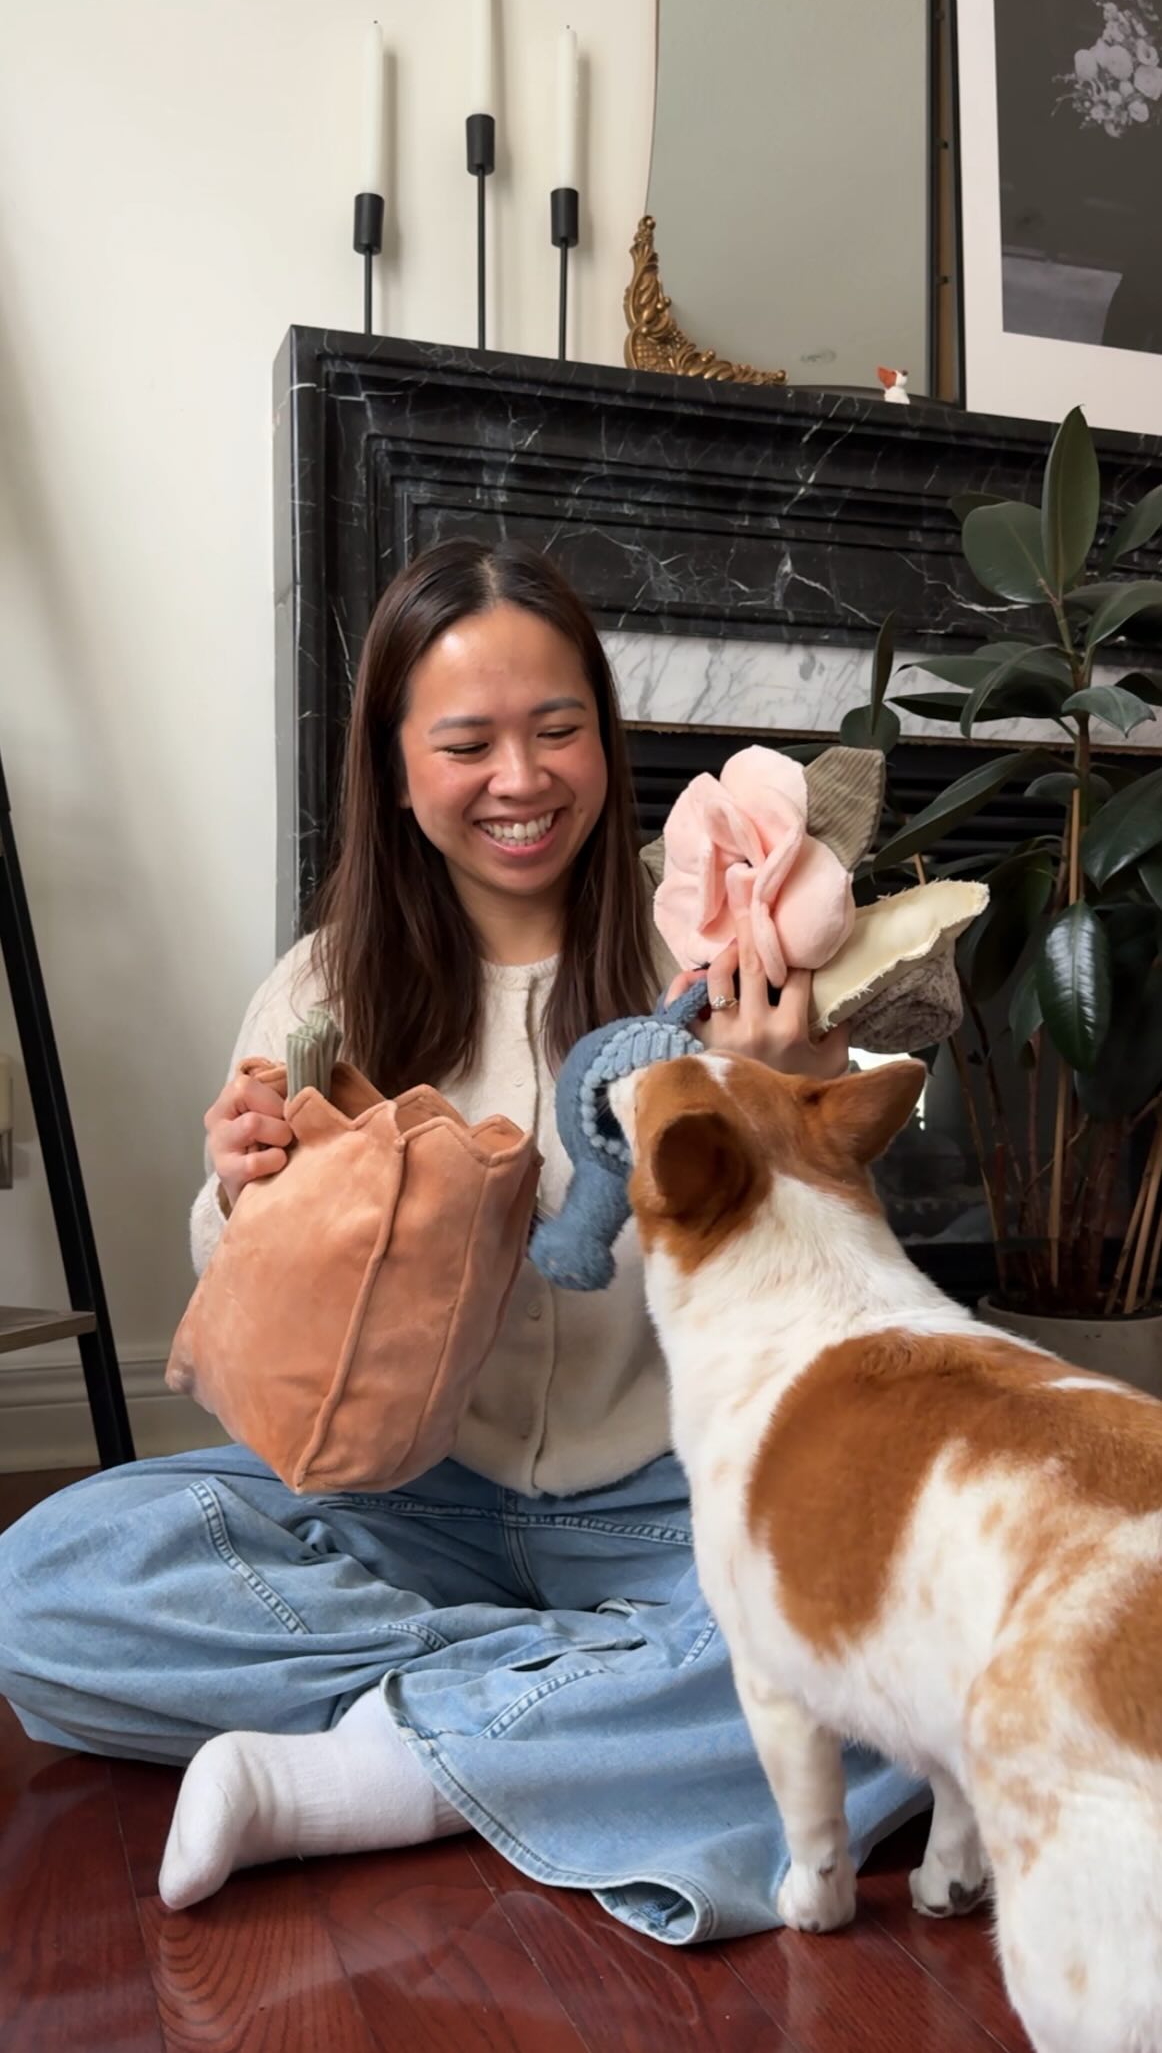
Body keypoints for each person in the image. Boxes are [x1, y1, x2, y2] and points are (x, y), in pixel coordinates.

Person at [0, 540, 924, 1944]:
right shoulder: (325, 986)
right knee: (40, 1591)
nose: (520, 779)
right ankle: (576, 1693)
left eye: (557, 730)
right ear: (391, 765)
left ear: (605, 745)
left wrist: (776, 1112)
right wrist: (244, 1196)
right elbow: (257, 1321)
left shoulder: (721, 974)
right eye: (467, 743)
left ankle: (367, 1770)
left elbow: (836, 1311)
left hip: (674, 1510)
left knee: (908, 1652)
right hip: (402, 1503)